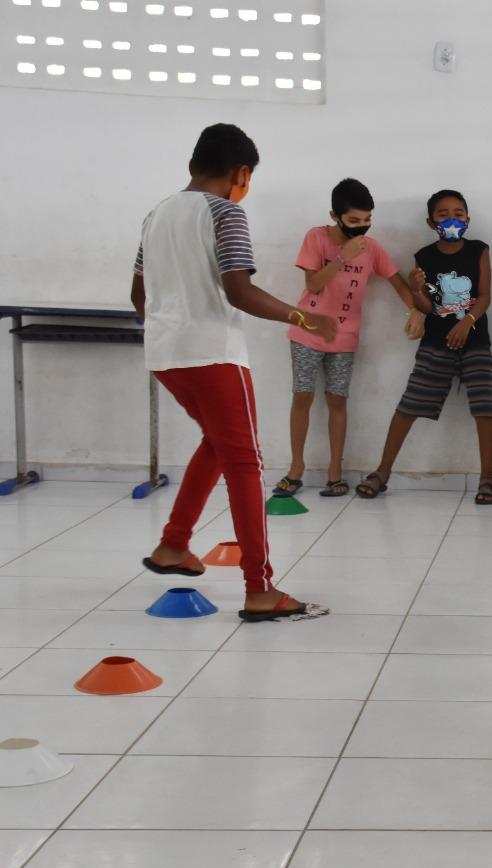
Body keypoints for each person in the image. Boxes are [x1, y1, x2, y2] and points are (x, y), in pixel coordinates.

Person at [132, 123, 334, 622]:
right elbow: (239, 291)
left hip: (164, 354)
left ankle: (173, 546)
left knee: (218, 445)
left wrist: (168, 329)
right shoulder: (225, 212)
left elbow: (139, 297)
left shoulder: (156, 214)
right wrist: (304, 316)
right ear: (241, 172)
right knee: (246, 462)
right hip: (213, 353)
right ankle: (260, 589)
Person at [276, 178, 426, 498]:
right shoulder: (316, 238)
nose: (362, 227)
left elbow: (397, 283)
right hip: (307, 333)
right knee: (302, 397)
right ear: (335, 215)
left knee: (337, 401)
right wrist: (342, 257)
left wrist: (417, 310)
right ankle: (296, 468)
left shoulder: (371, 249)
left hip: (344, 337)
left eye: (367, 220)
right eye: (354, 221)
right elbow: (314, 285)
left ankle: (335, 472)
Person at [357, 189, 492, 505]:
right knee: (409, 405)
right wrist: (418, 289)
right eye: (443, 214)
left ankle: (487, 479)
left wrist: (467, 323)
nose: (452, 219)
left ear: (468, 218)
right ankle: (382, 472)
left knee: (484, 407)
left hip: (474, 340)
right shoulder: (425, 257)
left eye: (458, 214)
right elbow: (426, 306)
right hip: (436, 342)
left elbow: (485, 296)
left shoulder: (479, 250)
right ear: (430, 221)